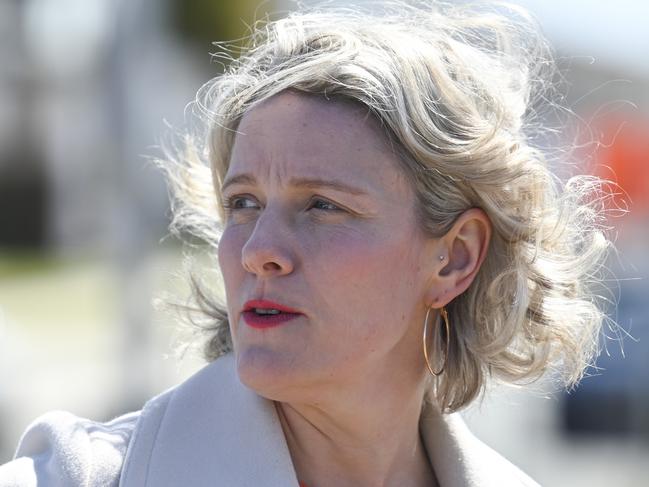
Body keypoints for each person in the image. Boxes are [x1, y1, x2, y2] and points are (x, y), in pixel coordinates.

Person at [0, 1, 611, 486]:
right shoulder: (77, 478)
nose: (257, 250)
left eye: (323, 206)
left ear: (454, 257)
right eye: (243, 203)